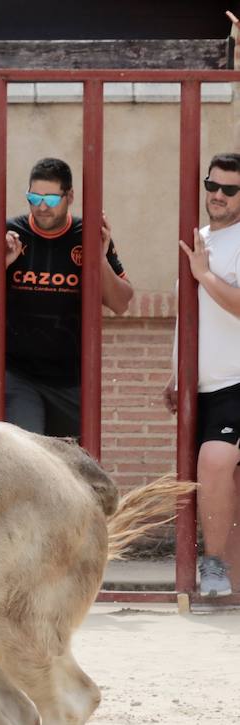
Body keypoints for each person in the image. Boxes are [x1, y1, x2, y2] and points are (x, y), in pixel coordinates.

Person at [0, 157, 133, 437]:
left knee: (69, 463)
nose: (41, 206)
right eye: (34, 197)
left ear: (69, 196)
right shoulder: (10, 232)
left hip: (71, 378)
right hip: (19, 375)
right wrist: (1, 265)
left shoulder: (87, 235)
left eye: (51, 200)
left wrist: (99, 257)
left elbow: (120, 303)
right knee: (28, 452)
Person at [168, 152, 240, 597]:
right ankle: (228, 577)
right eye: (211, 186)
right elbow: (188, 316)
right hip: (202, 385)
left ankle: (211, 565)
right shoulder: (198, 238)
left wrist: (203, 274)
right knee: (222, 480)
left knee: (214, 461)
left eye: (229, 189)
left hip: (237, 379)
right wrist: (175, 372)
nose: (217, 195)